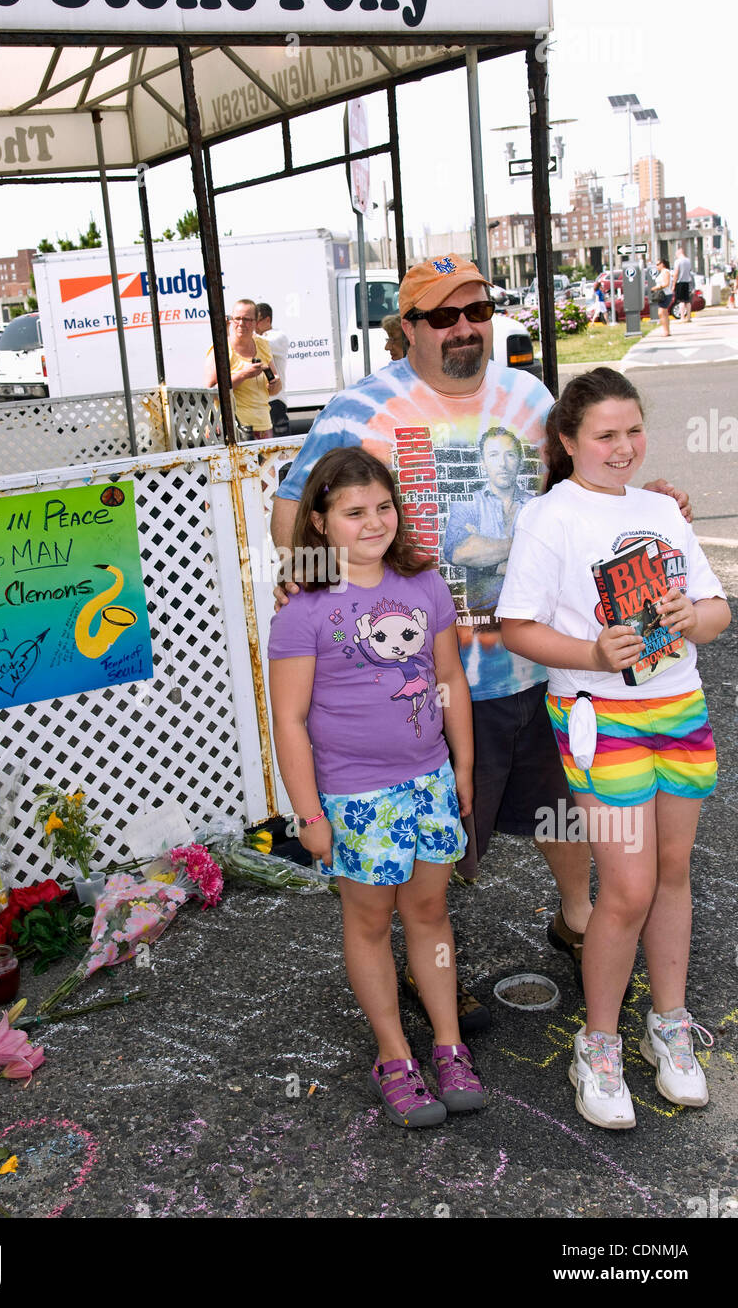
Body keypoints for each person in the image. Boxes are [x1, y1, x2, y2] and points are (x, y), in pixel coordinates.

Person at [270, 253, 691, 1028]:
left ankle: (573, 920)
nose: (463, 328)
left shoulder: (529, 398)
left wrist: (647, 506)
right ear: (409, 328)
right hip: (423, 678)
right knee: (438, 835)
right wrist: (308, 575)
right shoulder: (360, 407)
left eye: (476, 311)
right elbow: (293, 508)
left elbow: (585, 488)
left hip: (542, 662)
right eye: (441, 316)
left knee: (558, 806)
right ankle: (430, 970)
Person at [497, 368, 729, 1129]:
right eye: (605, 434)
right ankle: (597, 1045)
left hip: (679, 705)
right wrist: (593, 656)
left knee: (671, 871)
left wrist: (688, 617)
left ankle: (670, 1025)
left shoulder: (661, 507)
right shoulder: (549, 516)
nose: (623, 447)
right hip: (600, 714)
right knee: (625, 887)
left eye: (633, 430)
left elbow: (718, 608)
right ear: (568, 442)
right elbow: (518, 625)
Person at [268, 446, 485, 1127]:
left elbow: (450, 682)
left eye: (383, 507)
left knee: (429, 914)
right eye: (353, 511)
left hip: (429, 783)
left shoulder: (425, 585)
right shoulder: (302, 608)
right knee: (368, 920)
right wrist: (309, 813)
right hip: (354, 798)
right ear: (321, 524)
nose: (372, 522)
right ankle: (394, 1053)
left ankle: (447, 1044)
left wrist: (464, 767)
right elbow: (290, 718)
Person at [442, 427, 534, 615]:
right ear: (483, 463)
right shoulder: (468, 505)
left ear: (520, 461)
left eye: (510, 455)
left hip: (531, 613)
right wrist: (527, 543)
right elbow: (458, 554)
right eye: (493, 455)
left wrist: (485, 557)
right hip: (483, 615)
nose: (502, 464)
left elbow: (545, 562)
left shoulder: (537, 506)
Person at [204, 298, 280, 440]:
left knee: (266, 463)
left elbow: (275, 388)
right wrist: (243, 374)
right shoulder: (220, 349)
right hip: (232, 428)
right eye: (237, 318)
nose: (241, 323)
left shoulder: (262, 345)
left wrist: (274, 383)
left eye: (246, 319)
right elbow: (211, 391)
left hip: (263, 425)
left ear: (255, 322)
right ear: (231, 320)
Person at [255, 302, 291, 436]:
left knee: (281, 450)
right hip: (260, 402)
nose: (253, 327)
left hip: (275, 400)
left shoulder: (278, 336)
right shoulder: (258, 338)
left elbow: (261, 344)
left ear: (267, 320)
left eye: (255, 322)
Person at [672, 247, 694, 323]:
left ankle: (682, 317)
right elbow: (690, 271)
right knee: (687, 301)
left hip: (679, 282)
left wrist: (673, 284)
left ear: (678, 253)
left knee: (681, 301)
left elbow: (676, 273)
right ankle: (688, 317)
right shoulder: (688, 261)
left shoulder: (677, 261)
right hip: (687, 282)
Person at [652, 258, 673, 338]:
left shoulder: (666, 272)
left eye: (658, 264)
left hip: (666, 294)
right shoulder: (661, 273)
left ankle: (666, 331)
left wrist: (657, 288)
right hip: (663, 294)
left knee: (661, 312)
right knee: (664, 313)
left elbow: (666, 283)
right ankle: (666, 330)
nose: (657, 266)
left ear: (662, 264)